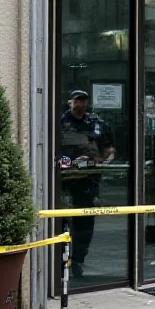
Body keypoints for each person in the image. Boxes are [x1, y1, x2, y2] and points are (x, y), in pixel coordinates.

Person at [60, 89, 116, 277]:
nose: (81, 104)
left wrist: (103, 161)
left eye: (84, 100)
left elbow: (110, 149)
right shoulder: (60, 122)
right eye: (78, 100)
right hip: (64, 181)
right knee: (61, 222)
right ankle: (60, 260)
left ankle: (77, 260)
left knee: (84, 223)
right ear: (70, 102)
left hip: (87, 181)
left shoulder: (96, 123)